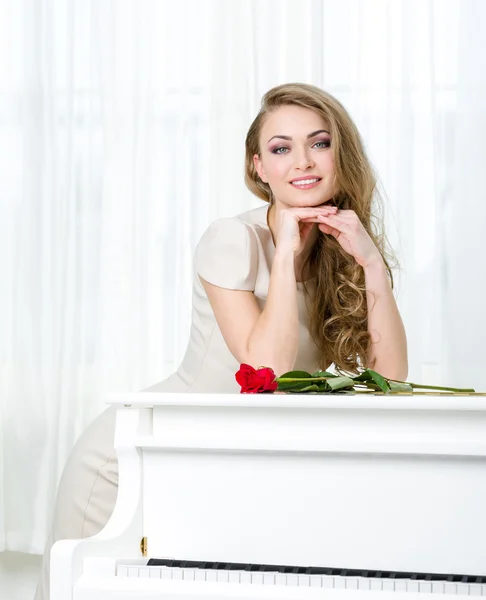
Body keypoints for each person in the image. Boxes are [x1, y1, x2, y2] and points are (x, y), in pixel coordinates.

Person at [34, 82, 408, 599]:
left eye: (319, 143)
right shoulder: (233, 238)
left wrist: (371, 266)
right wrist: (282, 254)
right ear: (259, 167)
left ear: (342, 154)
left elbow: (389, 378)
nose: (303, 161)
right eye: (281, 148)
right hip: (141, 459)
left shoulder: (343, 245)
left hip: (224, 463)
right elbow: (266, 372)